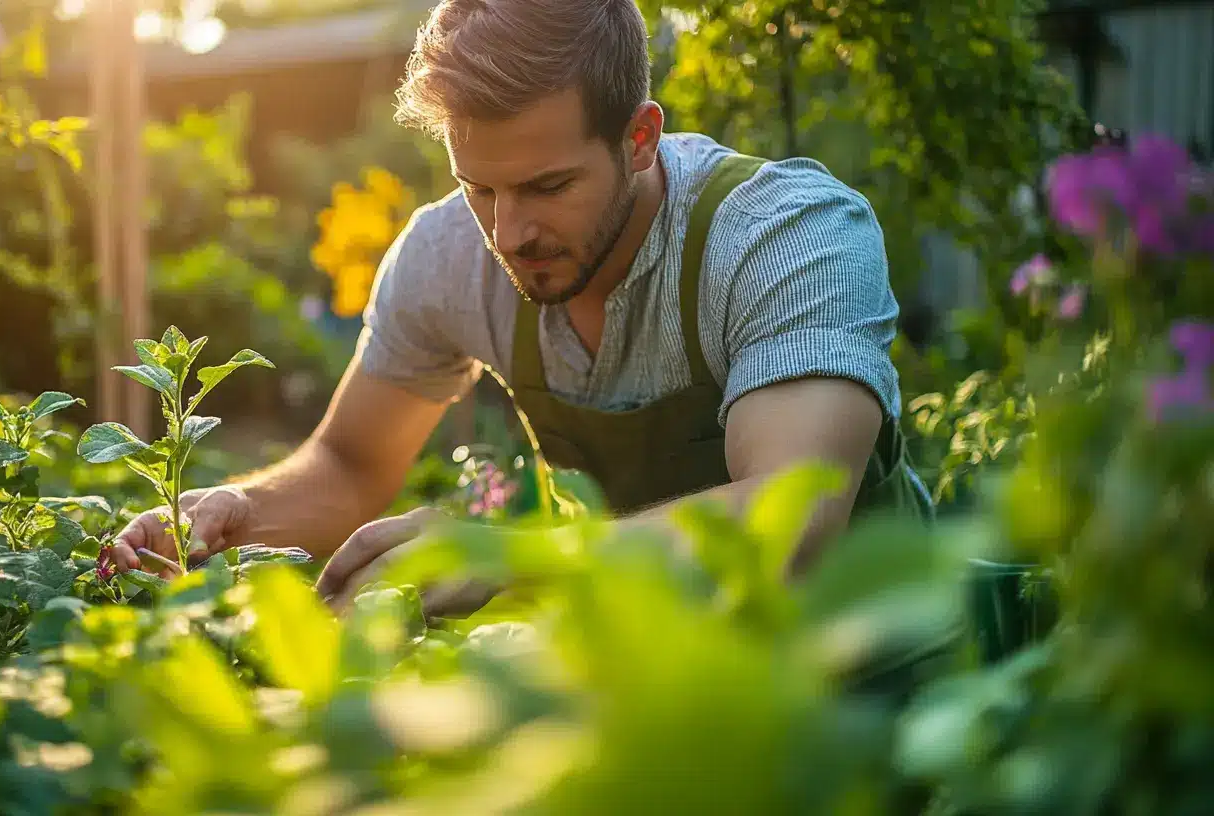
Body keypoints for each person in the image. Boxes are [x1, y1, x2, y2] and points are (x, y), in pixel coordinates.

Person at [110, 0, 933, 614]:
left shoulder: (789, 238)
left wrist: (513, 558)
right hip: (661, 678)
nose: (510, 232)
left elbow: (782, 521)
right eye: (480, 188)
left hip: (878, 688)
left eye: (549, 186)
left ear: (640, 138)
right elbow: (352, 467)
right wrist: (237, 512)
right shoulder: (447, 257)